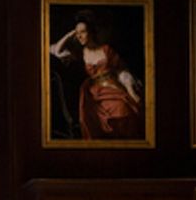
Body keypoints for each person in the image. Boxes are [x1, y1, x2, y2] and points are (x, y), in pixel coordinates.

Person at [49, 10, 144, 139]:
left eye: (83, 32)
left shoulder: (106, 49)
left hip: (114, 88)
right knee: (103, 115)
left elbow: (121, 71)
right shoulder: (78, 53)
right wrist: (70, 34)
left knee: (124, 109)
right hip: (93, 95)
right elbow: (55, 50)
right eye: (77, 33)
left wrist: (131, 90)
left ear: (91, 32)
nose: (79, 36)